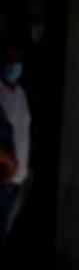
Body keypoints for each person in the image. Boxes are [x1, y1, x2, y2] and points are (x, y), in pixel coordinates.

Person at [0, 45, 30, 249]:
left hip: (19, 176)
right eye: (10, 61)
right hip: (3, 174)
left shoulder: (20, 93)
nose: (14, 66)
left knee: (5, 231)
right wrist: (6, 160)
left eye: (17, 62)